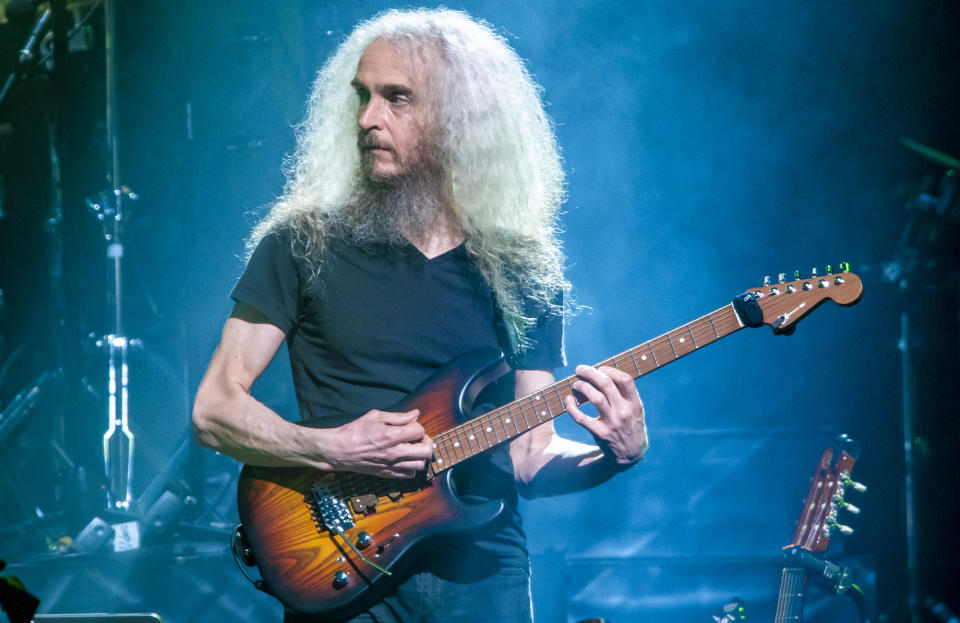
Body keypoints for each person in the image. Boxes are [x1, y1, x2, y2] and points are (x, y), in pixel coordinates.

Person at [191, 8, 647, 623]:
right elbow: (215, 410)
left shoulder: (521, 267)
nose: (367, 119)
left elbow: (532, 457)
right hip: (343, 559)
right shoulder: (302, 244)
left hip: (482, 571)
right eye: (363, 96)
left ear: (461, 118)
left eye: (396, 99)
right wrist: (331, 448)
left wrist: (614, 455)